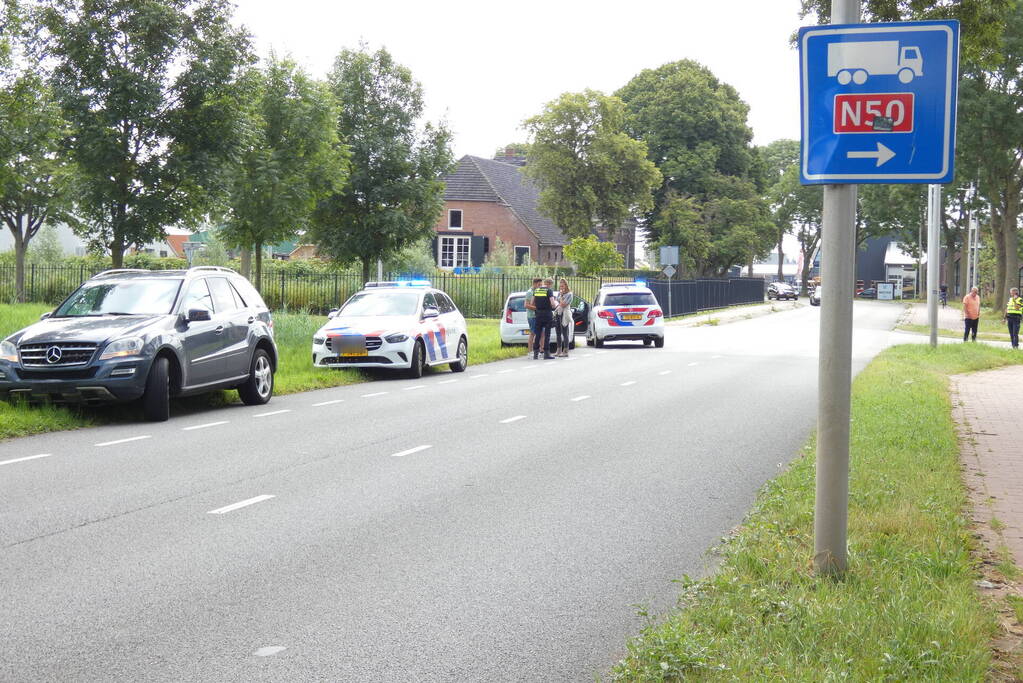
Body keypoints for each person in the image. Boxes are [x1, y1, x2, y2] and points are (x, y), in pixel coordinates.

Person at [531, 278, 556, 359]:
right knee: (547, 334)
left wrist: (539, 306)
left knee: (538, 334)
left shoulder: (536, 290)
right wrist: (554, 306)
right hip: (547, 314)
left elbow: (532, 303)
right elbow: (552, 303)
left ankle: (535, 353)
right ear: (550, 284)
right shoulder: (549, 291)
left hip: (538, 314)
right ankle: (546, 353)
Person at [554, 278, 573, 357]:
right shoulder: (559, 293)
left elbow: (563, 304)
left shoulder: (569, 294)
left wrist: (561, 297)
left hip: (564, 314)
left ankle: (565, 351)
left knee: (565, 333)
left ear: (566, 285)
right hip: (558, 313)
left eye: (563, 285)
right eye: (560, 286)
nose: (561, 287)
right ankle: (558, 350)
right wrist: (560, 297)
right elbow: (557, 302)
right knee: (558, 332)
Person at [523, 277, 542, 356]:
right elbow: (526, 305)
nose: (540, 286)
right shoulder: (530, 292)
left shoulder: (538, 291)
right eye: (539, 284)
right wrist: (537, 308)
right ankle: (530, 351)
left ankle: (539, 351)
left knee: (540, 333)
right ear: (534, 283)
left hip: (537, 316)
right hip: (532, 316)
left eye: (541, 284)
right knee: (533, 333)